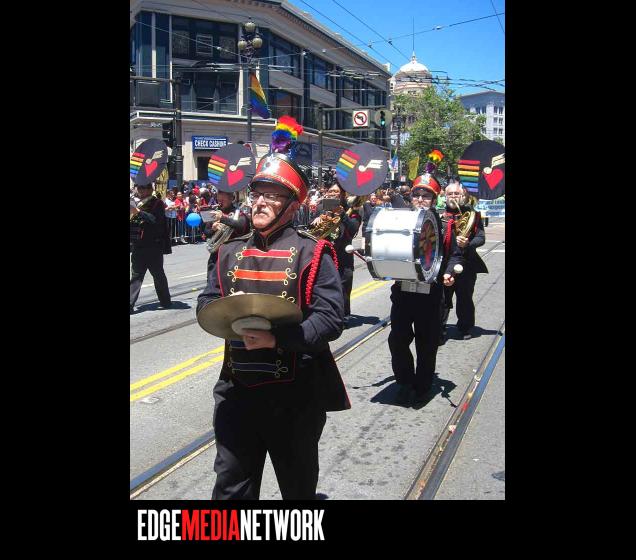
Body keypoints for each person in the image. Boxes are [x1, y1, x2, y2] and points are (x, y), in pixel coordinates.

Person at [196, 121, 350, 500]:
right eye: (257, 193)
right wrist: (221, 314)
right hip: (236, 389)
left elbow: (330, 319)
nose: (260, 202)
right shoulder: (228, 250)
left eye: (272, 195)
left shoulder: (314, 252)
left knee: (297, 491)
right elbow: (207, 300)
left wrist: (277, 338)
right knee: (230, 488)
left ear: (293, 206)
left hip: (295, 395)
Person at [387, 169, 464, 406]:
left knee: (427, 343)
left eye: (426, 196)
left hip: (431, 294)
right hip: (403, 292)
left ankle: (422, 387)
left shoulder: (445, 225)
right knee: (397, 340)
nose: (420, 199)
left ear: (434, 199)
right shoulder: (399, 221)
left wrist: (450, 272)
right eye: (417, 195)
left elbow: (455, 254)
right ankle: (404, 382)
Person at [440, 178, 488, 341]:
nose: (453, 196)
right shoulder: (438, 215)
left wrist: (468, 243)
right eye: (450, 194)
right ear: (445, 196)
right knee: (442, 298)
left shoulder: (473, 214)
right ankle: (440, 328)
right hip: (444, 264)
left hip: (466, 264)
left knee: (465, 298)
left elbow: (481, 238)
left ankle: (465, 327)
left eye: (456, 193)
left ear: (462, 195)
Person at [310, 182, 361, 323]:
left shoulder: (352, 210)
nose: (332, 193)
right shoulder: (321, 208)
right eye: (330, 191)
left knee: (343, 287)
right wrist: (316, 219)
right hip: (325, 255)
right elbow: (311, 228)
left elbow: (353, 230)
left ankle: (344, 316)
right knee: (323, 287)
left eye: (336, 191)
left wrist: (342, 214)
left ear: (343, 194)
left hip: (343, 255)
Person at [130, 181, 171, 313]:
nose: (141, 190)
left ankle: (165, 300)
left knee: (158, 275)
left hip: (153, 245)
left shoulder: (157, 203)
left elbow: (154, 220)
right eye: (139, 188)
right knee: (136, 276)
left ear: (150, 189)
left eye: (144, 188)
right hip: (138, 244)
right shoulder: (136, 203)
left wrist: (138, 212)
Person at [203, 189, 251, 272]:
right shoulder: (215, 212)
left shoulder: (238, 213)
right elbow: (206, 232)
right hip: (216, 257)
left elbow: (242, 225)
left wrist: (222, 218)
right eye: (219, 200)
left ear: (231, 199)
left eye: (223, 201)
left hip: (233, 255)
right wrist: (213, 229)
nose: (220, 203)